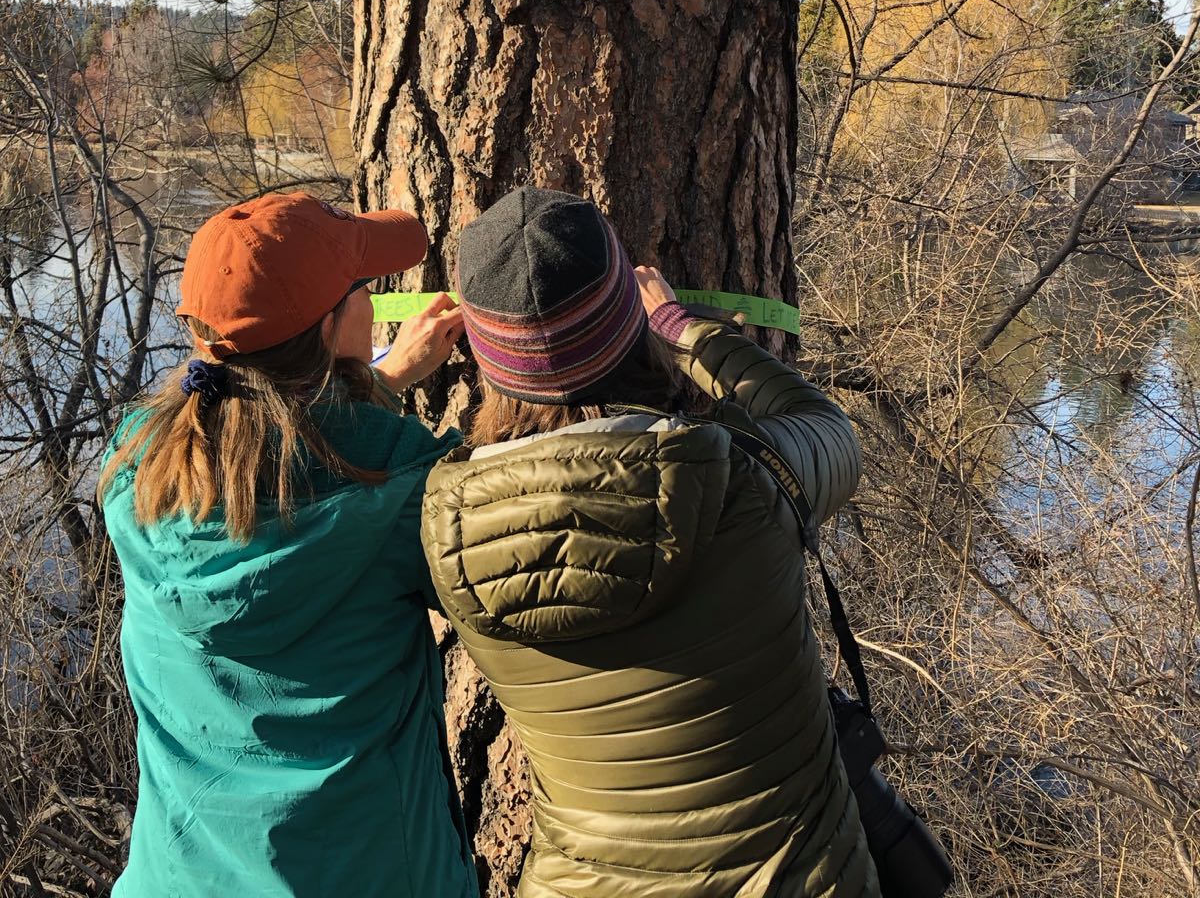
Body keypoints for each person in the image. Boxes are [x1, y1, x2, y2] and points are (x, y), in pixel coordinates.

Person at [421, 187, 879, 898]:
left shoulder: (443, 537)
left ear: (484, 360)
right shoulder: (745, 479)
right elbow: (826, 430)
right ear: (629, 325)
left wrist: (381, 380)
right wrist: (687, 330)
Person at [100, 191, 478, 898]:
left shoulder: (136, 468)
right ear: (333, 328)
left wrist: (384, 379)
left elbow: (269, 451)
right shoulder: (403, 484)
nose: (375, 301)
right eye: (365, 290)